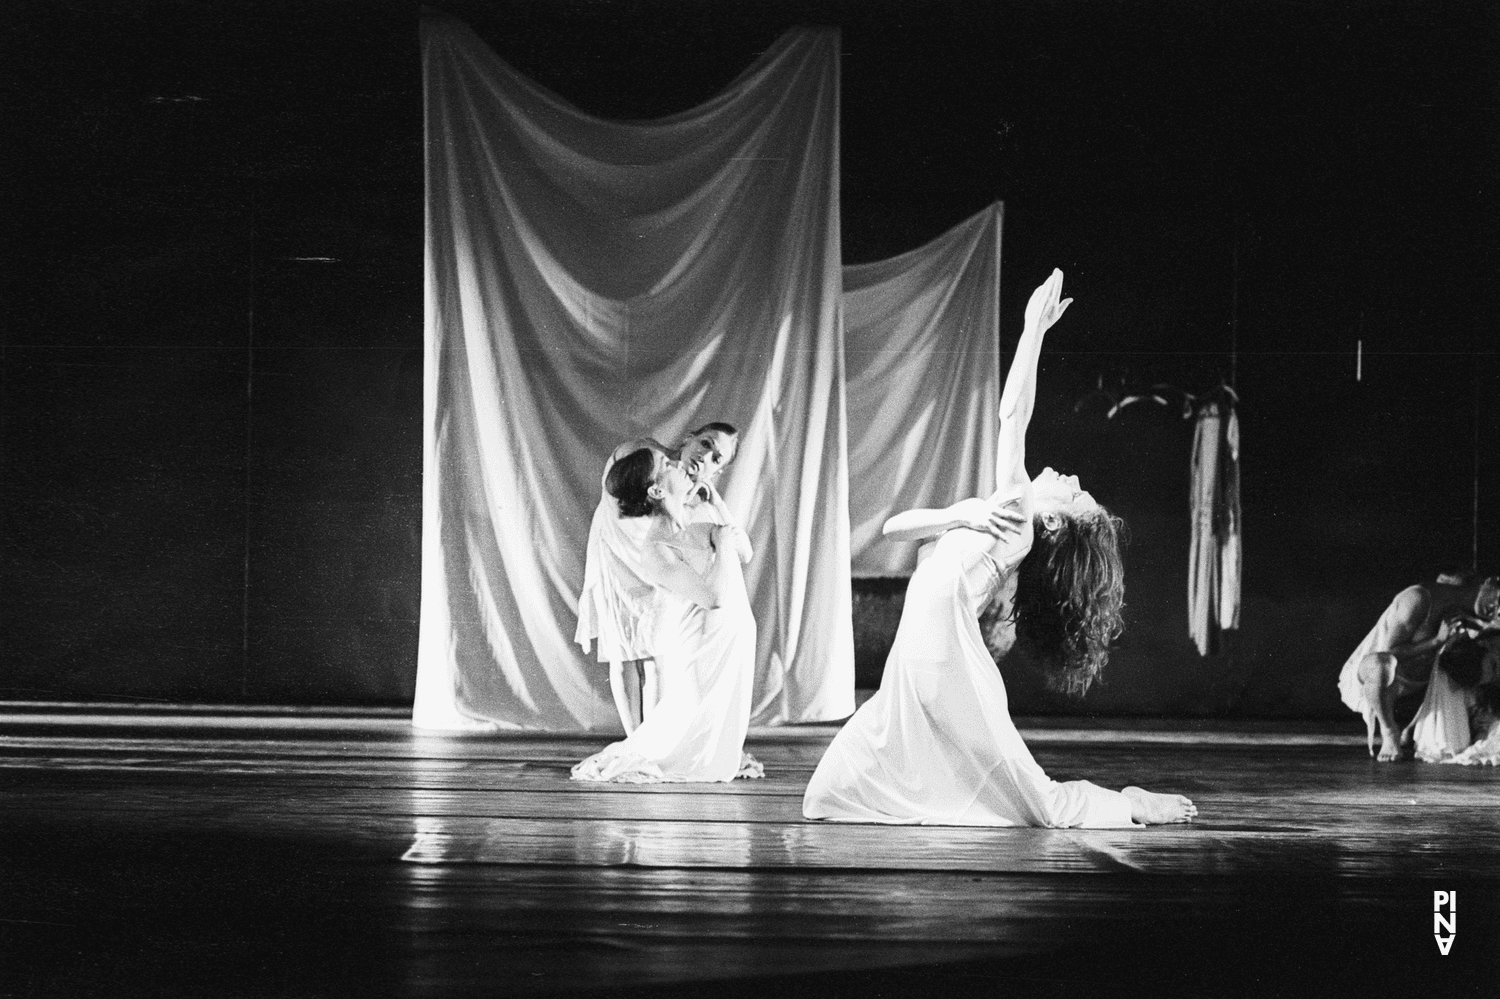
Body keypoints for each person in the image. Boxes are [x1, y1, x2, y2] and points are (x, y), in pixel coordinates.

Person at [803, 269, 1197, 827]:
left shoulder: (1020, 523)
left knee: (1037, 803)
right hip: (916, 659)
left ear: (1056, 525)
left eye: (1075, 495)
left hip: (947, 660)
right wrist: (959, 512)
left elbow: (1013, 416)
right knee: (826, 797)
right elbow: (895, 527)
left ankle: (1130, 803)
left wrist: (1033, 331)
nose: (1071, 476)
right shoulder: (994, 515)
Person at [572, 446, 761, 783]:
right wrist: (720, 539)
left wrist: (718, 510)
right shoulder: (657, 547)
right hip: (708, 653)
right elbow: (715, 598)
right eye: (667, 464)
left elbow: (744, 550)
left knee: (716, 750)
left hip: (728, 646)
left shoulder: (689, 523)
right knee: (696, 755)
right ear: (657, 490)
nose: (678, 463)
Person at [1338, 573, 1500, 761]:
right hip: (1379, 678)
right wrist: (1436, 641)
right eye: (1498, 601)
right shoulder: (1416, 599)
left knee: (1472, 664)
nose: (1497, 610)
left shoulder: (1474, 611)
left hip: (1421, 683)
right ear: (1490, 583)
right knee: (1380, 664)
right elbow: (1390, 652)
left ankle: (1413, 728)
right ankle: (1389, 731)